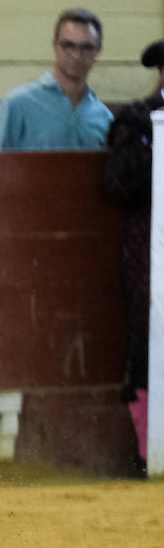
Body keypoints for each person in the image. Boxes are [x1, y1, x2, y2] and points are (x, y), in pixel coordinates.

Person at [102, 38, 164, 469]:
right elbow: (118, 187)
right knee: (149, 348)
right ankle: (150, 454)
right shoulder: (140, 121)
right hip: (153, 259)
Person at [0, 8, 112, 152]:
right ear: (55, 46)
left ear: (98, 51)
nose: (76, 55)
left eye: (86, 47)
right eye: (68, 46)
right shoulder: (17, 105)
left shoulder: (104, 118)